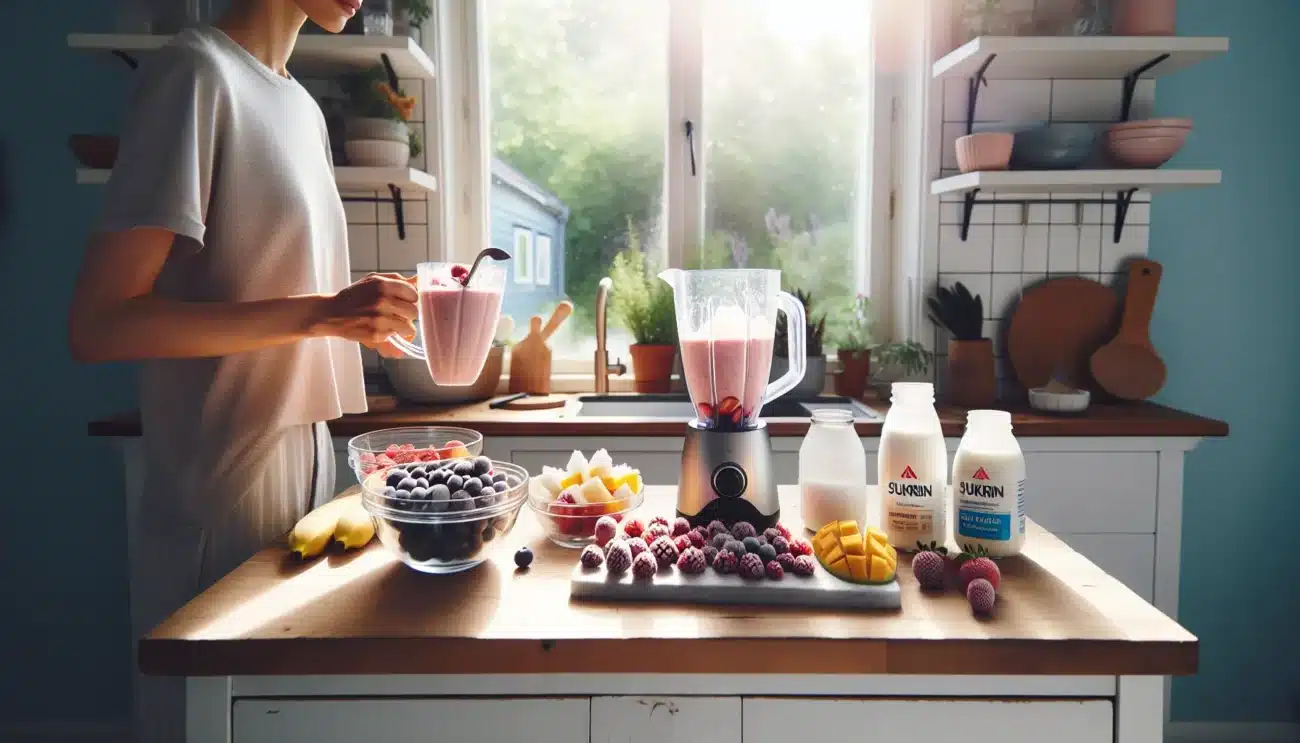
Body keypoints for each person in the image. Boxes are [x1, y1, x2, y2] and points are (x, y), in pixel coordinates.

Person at [66, 1, 415, 741]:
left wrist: (348, 314)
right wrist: (321, 313)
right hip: (221, 475)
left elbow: (277, 287)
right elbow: (99, 325)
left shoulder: (296, 103)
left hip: (308, 461)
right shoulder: (196, 75)